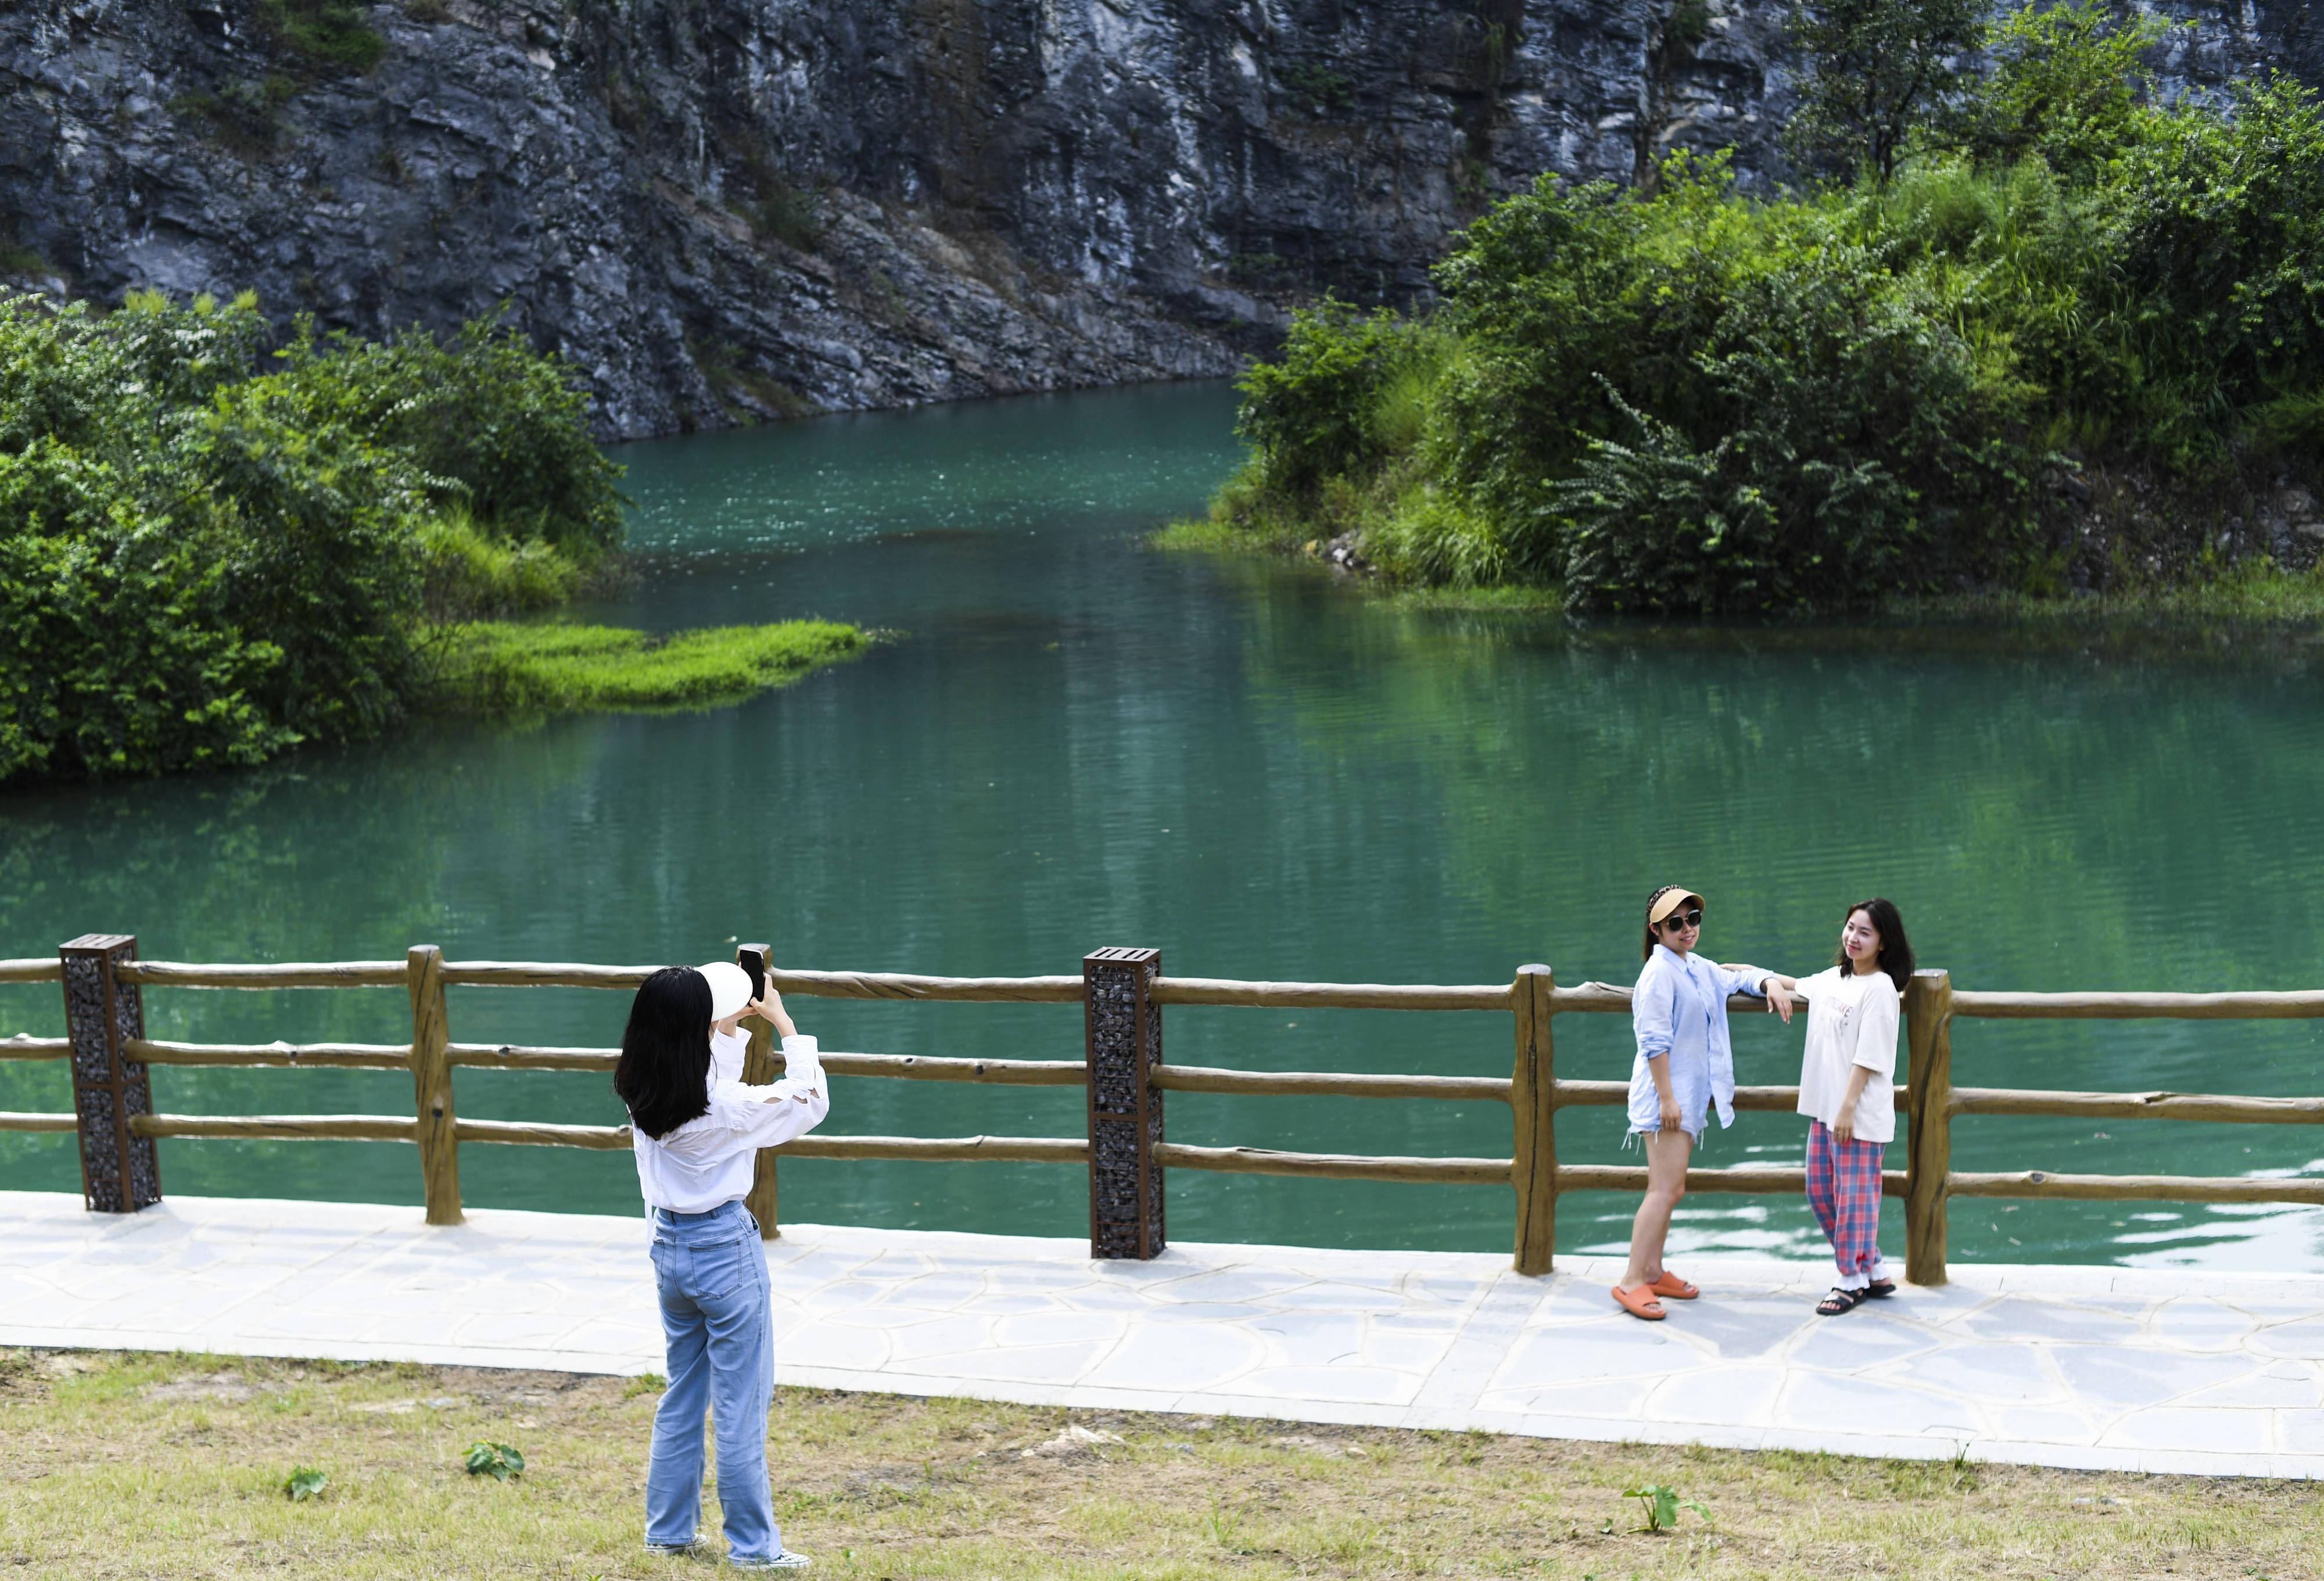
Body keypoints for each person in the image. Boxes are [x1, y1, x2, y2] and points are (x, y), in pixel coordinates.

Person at [614, 960, 830, 1570]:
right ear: (697, 1028)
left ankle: (668, 1532)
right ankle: (754, 1548)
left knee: (684, 1393)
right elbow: (809, 1101)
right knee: (741, 1405)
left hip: (669, 1247)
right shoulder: (730, 1107)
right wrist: (786, 1026)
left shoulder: (641, 1084)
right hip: (724, 1252)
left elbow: (707, 1069)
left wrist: (728, 1023)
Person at [1613, 885, 1792, 1320]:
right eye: (1675, 923)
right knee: (1665, 1189)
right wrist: (1667, 1099)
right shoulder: (1659, 973)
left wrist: (1770, 982)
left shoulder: (1697, 966)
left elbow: (1738, 978)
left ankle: (1653, 1270)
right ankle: (1632, 1280)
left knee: (1671, 1188)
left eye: (1693, 918)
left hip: (1687, 1096)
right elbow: (1653, 1040)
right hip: (1666, 1097)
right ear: (1656, 930)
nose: (1687, 928)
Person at [1765, 898, 1914, 1315]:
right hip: (1826, 1109)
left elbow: (1871, 1055)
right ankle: (1873, 1266)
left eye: (1865, 932)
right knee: (1820, 1192)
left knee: (1853, 1202)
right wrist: (1757, 978)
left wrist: (1848, 1108)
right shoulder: (1835, 978)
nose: (1853, 938)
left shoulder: (1880, 989)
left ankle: (1851, 1279)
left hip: (1857, 1113)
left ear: (1884, 942)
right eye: (1851, 928)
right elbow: (1796, 983)